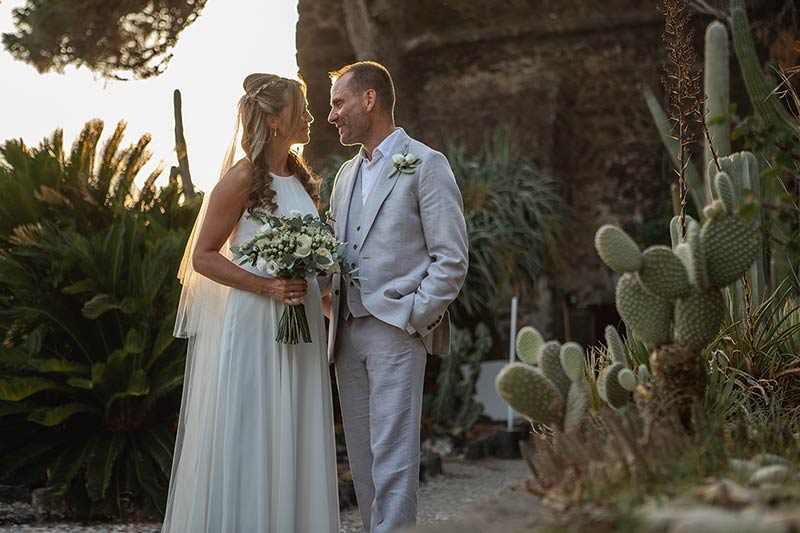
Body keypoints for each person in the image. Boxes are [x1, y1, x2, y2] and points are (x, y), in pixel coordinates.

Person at [163, 73, 339, 533]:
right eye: (302, 108)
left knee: (297, 433)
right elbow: (202, 257)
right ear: (275, 119)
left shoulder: (300, 177)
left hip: (301, 327)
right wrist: (266, 287)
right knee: (257, 433)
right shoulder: (240, 178)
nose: (310, 116)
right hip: (257, 324)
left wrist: (325, 299)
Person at [325, 61, 469, 532]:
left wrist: (412, 316)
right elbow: (337, 251)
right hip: (345, 334)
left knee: (395, 456)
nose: (332, 116)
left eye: (338, 103)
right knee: (363, 460)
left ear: (370, 99)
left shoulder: (427, 164)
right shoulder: (344, 175)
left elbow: (452, 259)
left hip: (396, 329)